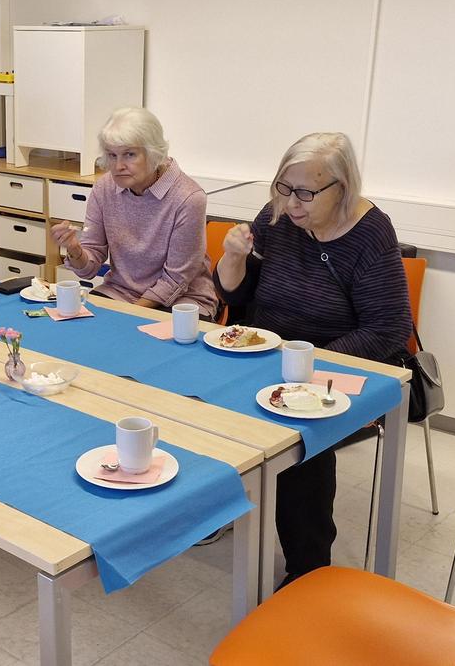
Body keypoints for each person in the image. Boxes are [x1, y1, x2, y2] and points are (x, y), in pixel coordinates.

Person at [214, 131, 412, 587]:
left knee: (300, 436)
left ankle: (308, 567)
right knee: (198, 398)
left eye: (305, 192)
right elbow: (236, 295)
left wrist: (308, 364)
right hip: (268, 351)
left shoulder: (370, 233)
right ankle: (218, 510)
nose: (291, 203)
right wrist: (232, 258)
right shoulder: (278, 215)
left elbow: (389, 328)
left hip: (339, 361)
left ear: (342, 188)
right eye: (283, 188)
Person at [50, 107, 218, 318]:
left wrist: (129, 315)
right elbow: (89, 269)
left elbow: (176, 280)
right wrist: (75, 249)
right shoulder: (104, 188)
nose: (118, 166)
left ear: (154, 153)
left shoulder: (189, 197)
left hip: (183, 301)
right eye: (112, 155)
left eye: (129, 154)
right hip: (120, 292)